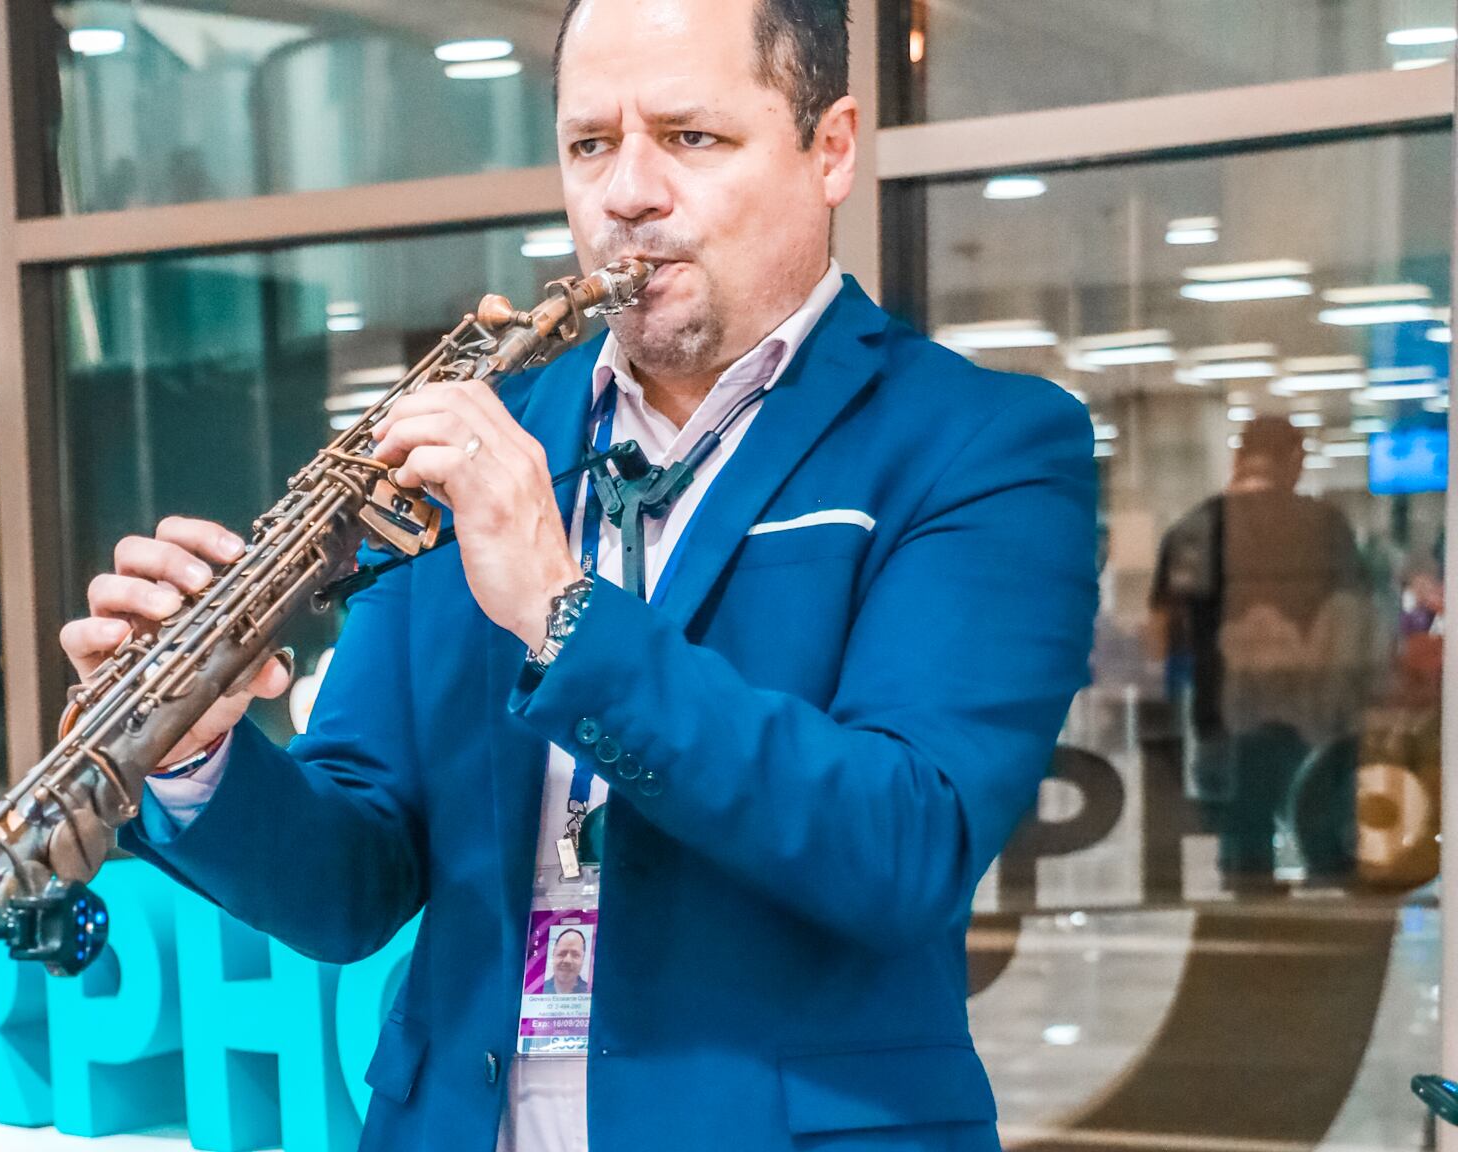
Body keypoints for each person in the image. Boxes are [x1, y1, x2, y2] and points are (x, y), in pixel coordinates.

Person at [60, 0, 1097, 1147]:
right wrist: (201, 752)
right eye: (589, 144)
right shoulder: (469, 443)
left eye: (690, 139)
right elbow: (351, 885)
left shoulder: (977, 442)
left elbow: (904, 846)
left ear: (831, 147)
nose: (626, 195)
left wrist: (562, 613)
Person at [1149, 415, 1372, 886]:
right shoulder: (1325, 525)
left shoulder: (1195, 527)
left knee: (1244, 854)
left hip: (1222, 717)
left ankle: (1250, 943)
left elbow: (1162, 634)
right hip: (1317, 718)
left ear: (1239, 456)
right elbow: (1355, 624)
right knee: (1329, 855)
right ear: (1295, 458)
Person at [544, 929, 591, 995]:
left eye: (575, 955)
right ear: (553, 955)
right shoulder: (537, 989)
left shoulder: (590, 991)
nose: (567, 960)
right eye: (562, 953)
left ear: (582, 959)